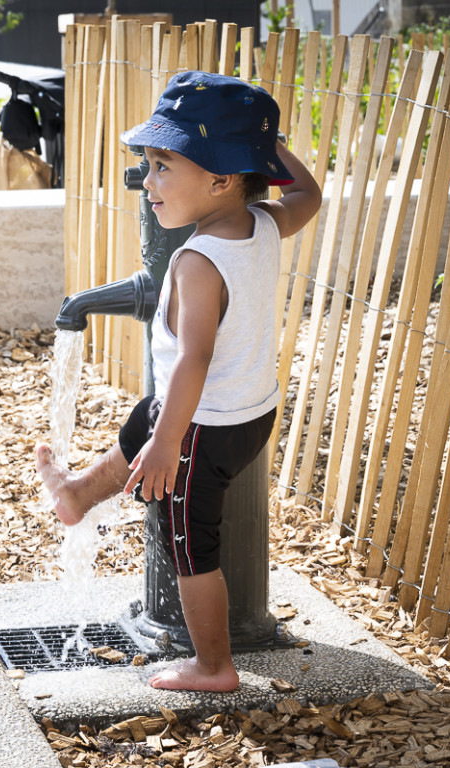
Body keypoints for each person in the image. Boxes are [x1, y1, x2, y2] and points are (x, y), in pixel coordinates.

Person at [36, 71, 322, 692]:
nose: (148, 181)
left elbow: (193, 358)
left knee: (189, 542)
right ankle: (80, 493)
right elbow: (309, 193)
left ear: (221, 177)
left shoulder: (196, 261)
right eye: (148, 164)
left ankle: (213, 666)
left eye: (164, 166)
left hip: (202, 426)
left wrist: (169, 445)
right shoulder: (265, 222)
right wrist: (262, 147)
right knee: (144, 417)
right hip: (248, 410)